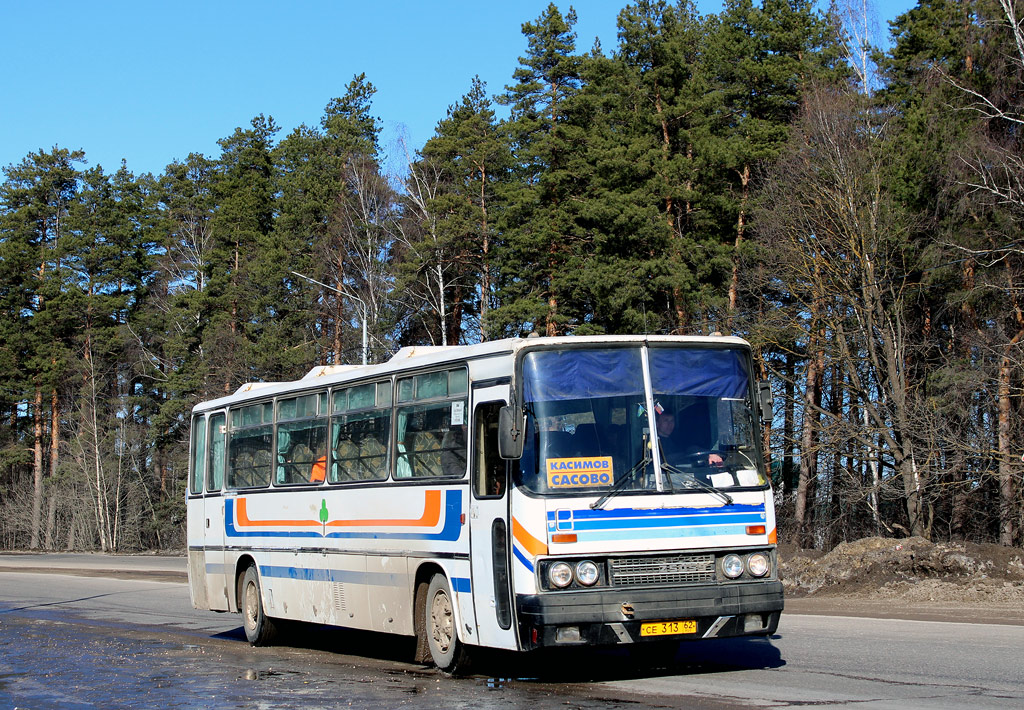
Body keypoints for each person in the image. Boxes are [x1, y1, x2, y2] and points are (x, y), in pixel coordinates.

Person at [656, 405, 723, 467]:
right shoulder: (653, 443)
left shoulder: (678, 440)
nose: (670, 424)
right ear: (657, 424)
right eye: (666, 420)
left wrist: (708, 456)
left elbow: (691, 449)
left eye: (672, 421)